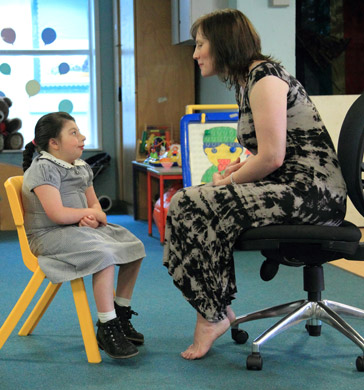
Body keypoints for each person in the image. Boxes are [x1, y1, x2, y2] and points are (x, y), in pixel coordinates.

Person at [163, 9, 347, 360]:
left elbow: (273, 158)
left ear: (223, 44)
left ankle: (211, 314)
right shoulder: (250, 80)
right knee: (190, 203)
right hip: (294, 187)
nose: (195, 53)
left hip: (314, 195)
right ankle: (214, 309)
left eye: (200, 44)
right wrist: (237, 168)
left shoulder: (265, 78)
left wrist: (228, 181)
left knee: (190, 203)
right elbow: (273, 153)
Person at [22, 112, 146, 360]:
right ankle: (107, 324)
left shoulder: (81, 166)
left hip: (78, 229)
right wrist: (88, 214)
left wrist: (93, 216)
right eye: (74, 133)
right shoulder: (43, 169)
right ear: (53, 144)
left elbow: (95, 207)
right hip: (49, 236)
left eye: (79, 132)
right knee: (104, 254)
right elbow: (56, 214)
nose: (83, 137)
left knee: (134, 246)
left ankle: (121, 313)